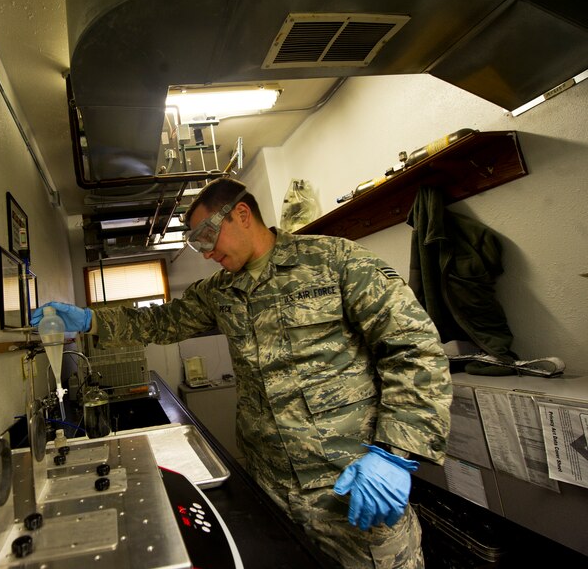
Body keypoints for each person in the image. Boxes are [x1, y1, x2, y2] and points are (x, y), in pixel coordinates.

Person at [32, 178, 452, 568]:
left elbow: (413, 347)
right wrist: (89, 320)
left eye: (207, 239)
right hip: (269, 488)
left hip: (349, 487)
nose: (207, 253)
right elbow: (161, 322)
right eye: (197, 247)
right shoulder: (220, 292)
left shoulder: (334, 261)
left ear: (242, 215)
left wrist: (394, 454)